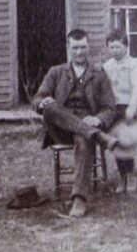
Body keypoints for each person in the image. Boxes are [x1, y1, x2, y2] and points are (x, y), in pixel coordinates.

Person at [32, 28, 120, 218]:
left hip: (84, 129)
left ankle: (79, 199)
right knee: (50, 108)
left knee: (84, 138)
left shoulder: (99, 74)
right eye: (75, 48)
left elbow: (110, 107)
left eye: (83, 47)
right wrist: (41, 103)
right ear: (68, 49)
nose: (79, 52)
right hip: (60, 129)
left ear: (88, 48)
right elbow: (37, 99)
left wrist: (98, 119)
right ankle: (98, 136)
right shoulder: (56, 72)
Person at [102, 29, 137, 193]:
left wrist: (132, 109)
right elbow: (103, 89)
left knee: (127, 142)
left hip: (128, 108)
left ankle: (131, 175)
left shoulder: (133, 65)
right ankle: (122, 177)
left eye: (118, 47)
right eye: (111, 47)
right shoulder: (107, 66)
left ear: (126, 47)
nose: (115, 51)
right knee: (117, 143)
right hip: (113, 108)